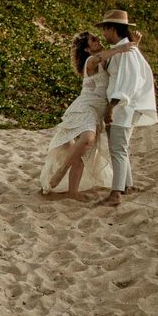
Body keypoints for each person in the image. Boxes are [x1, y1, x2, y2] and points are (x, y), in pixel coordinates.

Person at [39, 31, 120, 195]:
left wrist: (134, 46)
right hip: (85, 108)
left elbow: (123, 64)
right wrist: (123, 47)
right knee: (87, 139)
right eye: (94, 40)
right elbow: (104, 56)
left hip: (96, 112)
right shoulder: (91, 61)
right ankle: (61, 170)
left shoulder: (106, 60)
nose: (99, 40)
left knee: (81, 156)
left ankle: (72, 193)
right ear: (87, 50)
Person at [96, 9, 157, 207]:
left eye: (105, 29)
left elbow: (129, 82)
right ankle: (126, 185)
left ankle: (116, 194)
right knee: (120, 148)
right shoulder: (125, 49)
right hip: (124, 106)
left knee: (118, 149)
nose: (103, 34)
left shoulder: (127, 52)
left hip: (124, 107)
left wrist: (111, 106)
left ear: (112, 29)